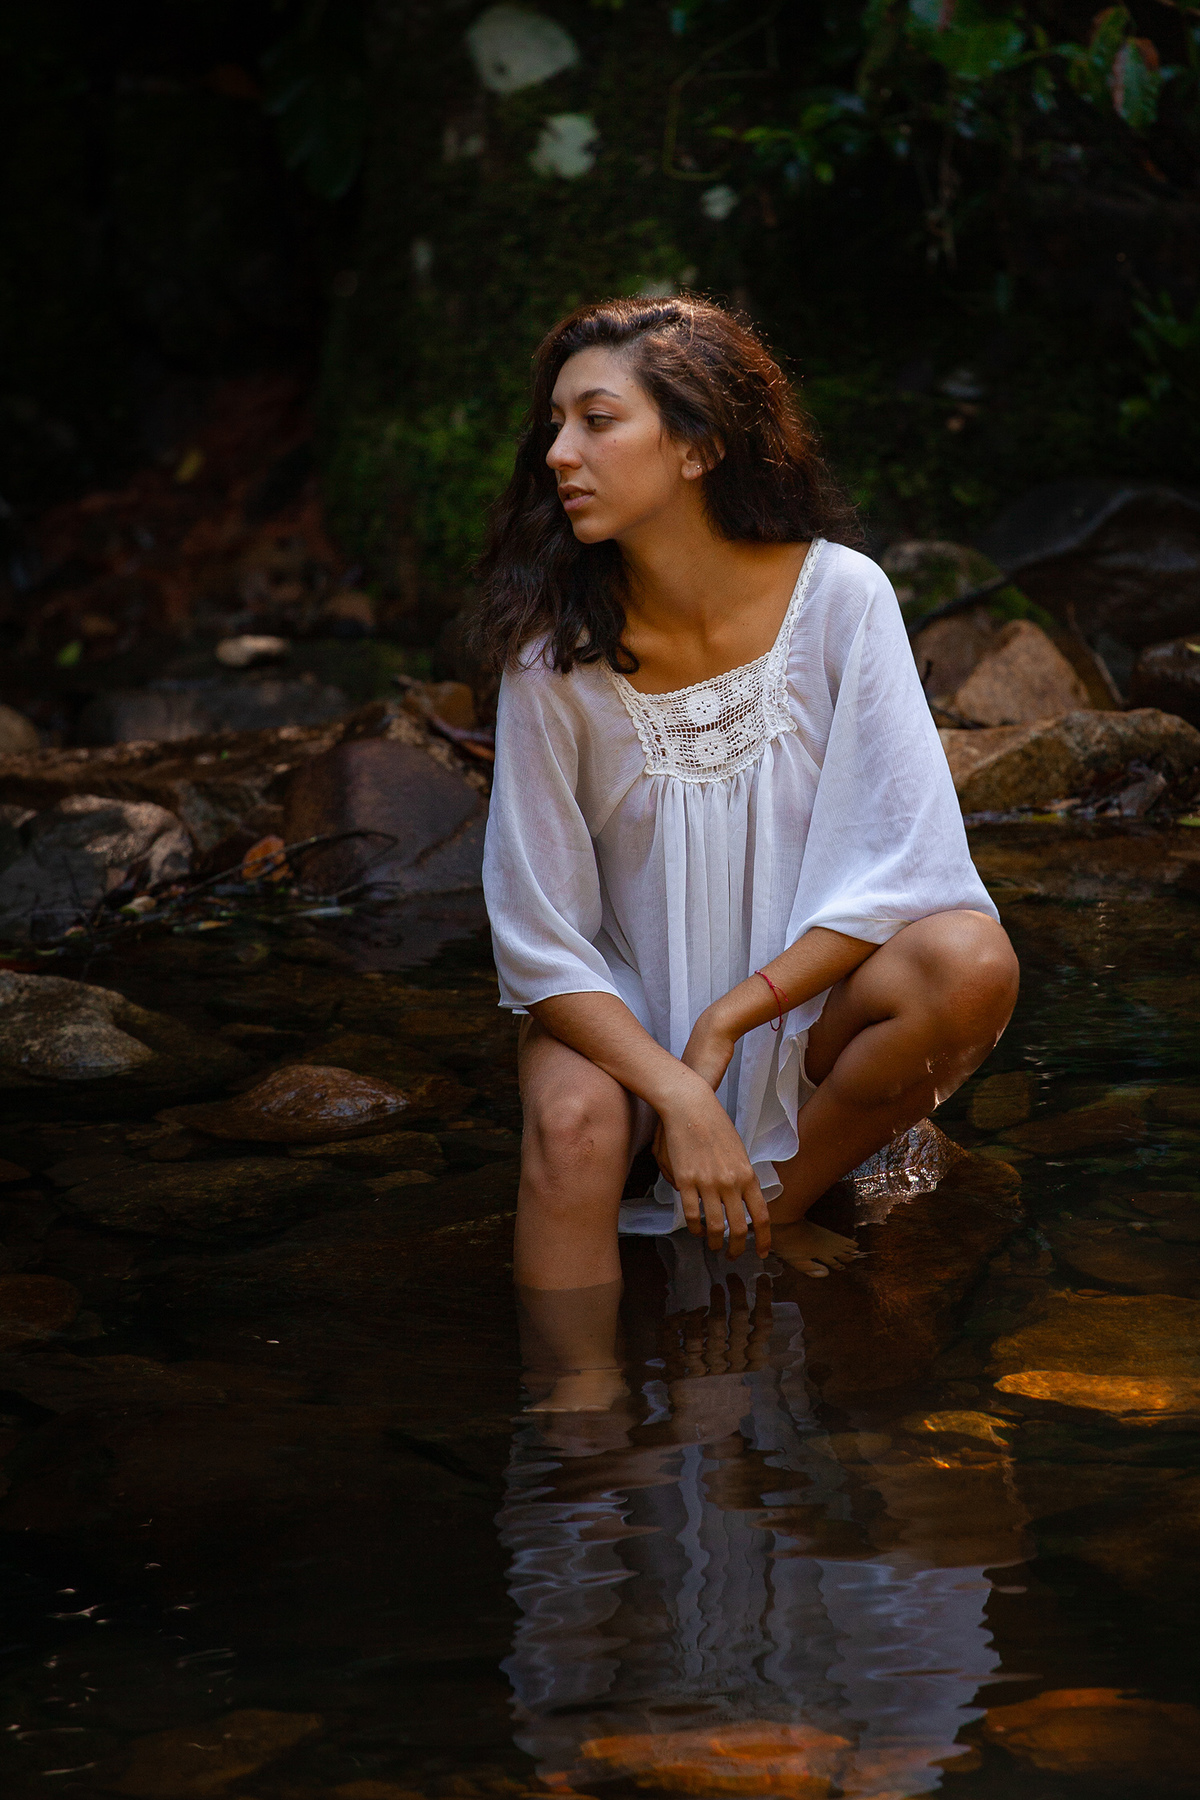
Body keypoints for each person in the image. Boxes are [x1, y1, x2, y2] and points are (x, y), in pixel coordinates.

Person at [476, 296, 1018, 1410]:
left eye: (594, 419)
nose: (559, 453)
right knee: (575, 1120)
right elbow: (537, 938)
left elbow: (908, 867)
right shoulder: (552, 663)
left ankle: (754, 1223)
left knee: (969, 963)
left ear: (699, 444)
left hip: (798, 1022)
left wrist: (733, 1016)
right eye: (554, 427)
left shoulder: (841, 599)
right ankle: (574, 1438)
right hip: (628, 1025)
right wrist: (674, 1084)